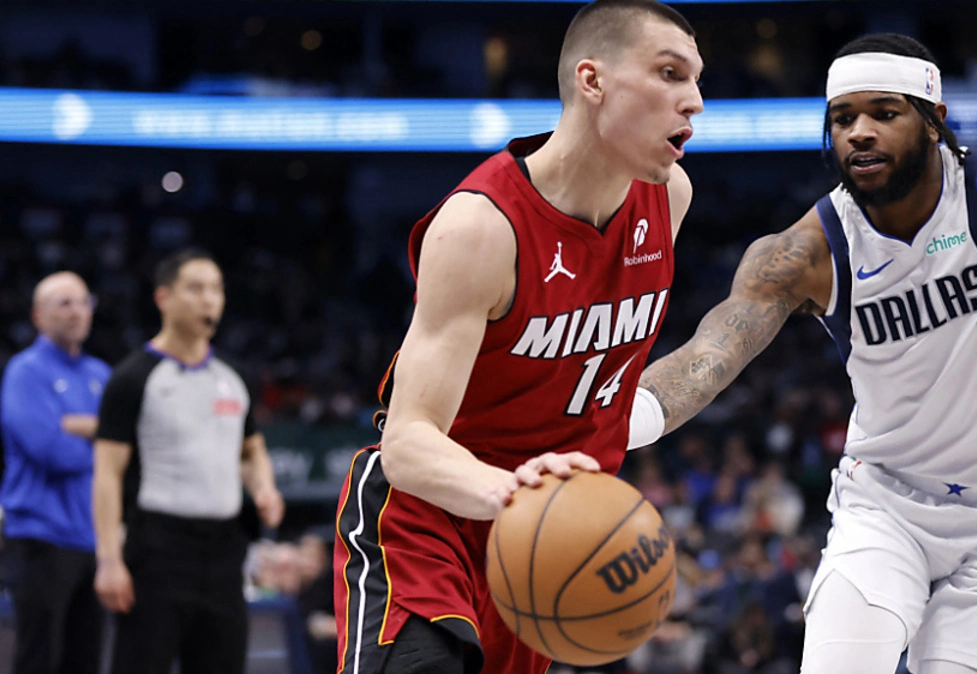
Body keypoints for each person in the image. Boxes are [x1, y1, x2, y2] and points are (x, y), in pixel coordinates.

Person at [629, 33, 977, 674]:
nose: (859, 132)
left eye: (884, 112)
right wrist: (610, 424)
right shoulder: (808, 249)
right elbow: (707, 357)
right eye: (843, 118)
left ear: (934, 120)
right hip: (885, 507)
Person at [332, 1, 703, 673]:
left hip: (541, 543)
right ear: (592, 80)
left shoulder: (670, 195)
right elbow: (408, 444)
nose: (695, 101)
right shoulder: (480, 226)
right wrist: (515, 495)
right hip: (430, 523)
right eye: (671, 74)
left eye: (697, 80)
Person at [92, 249, 285, 674]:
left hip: (224, 552)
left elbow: (251, 451)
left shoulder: (234, 377)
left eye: (216, 289)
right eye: (195, 288)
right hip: (156, 549)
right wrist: (109, 559)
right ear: (163, 297)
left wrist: (264, 487)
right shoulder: (132, 378)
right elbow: (107, 473)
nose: (209, 299)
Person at [0, 272, 110, 674]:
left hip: (93, 539)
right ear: (38, 316)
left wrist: (77, 426)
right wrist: (100, 435)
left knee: (86, 660)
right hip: (40, 537)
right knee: (39, 659)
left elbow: (127, 444)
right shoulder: (25, 371)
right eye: (64, 303)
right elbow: (49, 449)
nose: (77, 312)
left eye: (83, 302)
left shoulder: (100, 374)